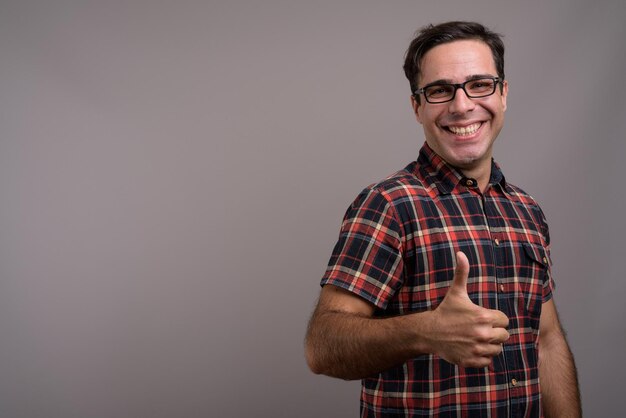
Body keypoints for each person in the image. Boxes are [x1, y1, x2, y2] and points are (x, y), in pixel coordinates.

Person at [305, 21, 581, 417]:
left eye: (480, 84)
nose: (462, 105)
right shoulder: (389, 204)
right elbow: (322, 346)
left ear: (503, 94)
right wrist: (427, 332)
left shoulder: (527, 211)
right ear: (417, 106)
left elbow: (547, 340)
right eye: (440, 90)